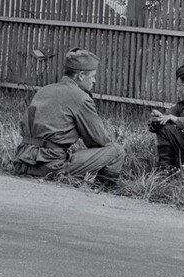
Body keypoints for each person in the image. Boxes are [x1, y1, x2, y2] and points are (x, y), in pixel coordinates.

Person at [12, 48, 125, 185]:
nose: (94, 81)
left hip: (22, 162)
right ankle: (102, 191)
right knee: (116, 151)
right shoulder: (81, 98)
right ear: (81, 75)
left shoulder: (44, 90)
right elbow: (99, 141)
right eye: (93, 76)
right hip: (50, 166)